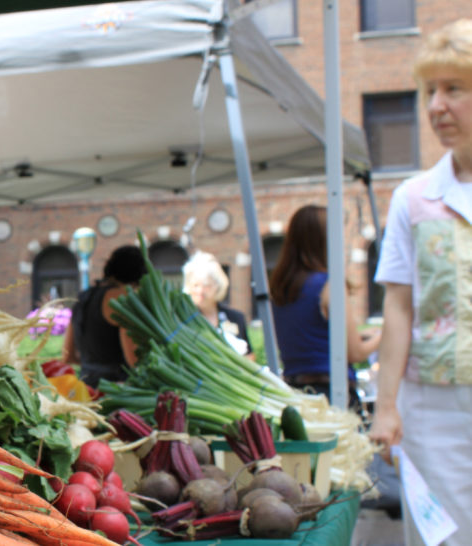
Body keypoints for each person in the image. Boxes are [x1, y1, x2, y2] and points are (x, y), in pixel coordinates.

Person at [369, 19, 472, 544]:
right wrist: (386, 407)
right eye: (431, 90)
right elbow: (399, 308)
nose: (436, 106)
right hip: (433, 410)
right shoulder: (413, 197)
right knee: (445, 537)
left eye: (455, 88)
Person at [268, 205, 380, 407]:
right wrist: (384, 335)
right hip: (330, 394)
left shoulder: (282, 287)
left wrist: (362, 335)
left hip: (295, 393)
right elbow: (355, 353)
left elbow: (310, 335)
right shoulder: (329, 285)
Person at [61, 245, 148, 388]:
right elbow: (133, 360)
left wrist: (93, 366)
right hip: (117, 391)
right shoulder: (123, 297)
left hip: (85, 389)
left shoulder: (82, 299)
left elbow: (67, 355)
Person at [182, 251, 251, 356]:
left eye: (206, 286)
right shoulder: (183, 319)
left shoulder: (235, 317)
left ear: (218, 286)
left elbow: (249, 354)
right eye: (195, 285)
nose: (200, 291)